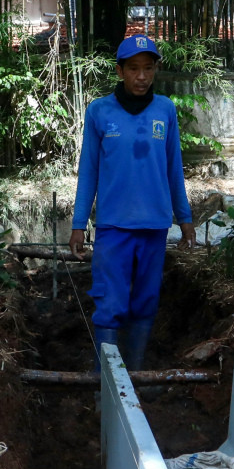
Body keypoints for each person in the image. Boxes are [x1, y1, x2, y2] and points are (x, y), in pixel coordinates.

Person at [69, 34, 197, 371]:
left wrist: (184, 218)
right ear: (120, 70)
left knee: (145, 302)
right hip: (113, 227)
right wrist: (79, 224)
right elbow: (89, 171)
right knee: (109, 302)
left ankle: (135, 374)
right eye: (134, 69)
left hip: (154, 226)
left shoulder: (165, 109)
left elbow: (173, 168)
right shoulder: (99, 111)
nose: (142, 76)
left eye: (148, 68)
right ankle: (104, 386)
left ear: (155, 70)